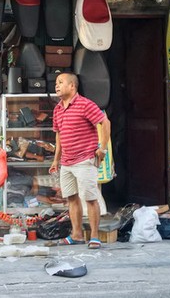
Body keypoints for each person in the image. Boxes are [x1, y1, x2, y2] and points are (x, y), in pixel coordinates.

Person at [49, 72, 111, 249]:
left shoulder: (85, 104)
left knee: (90, 198)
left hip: (85, 160)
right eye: (56, 83)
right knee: (72, 199)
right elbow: (59, 135)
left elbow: (105, 122)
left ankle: (94, 236)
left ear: (72, 86)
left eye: (61, 82)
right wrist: (56, 160)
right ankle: (76, 235)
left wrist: (103, 148)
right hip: (66, 162)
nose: (57, 86)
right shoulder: (58, 109)